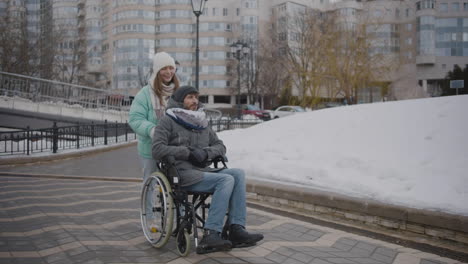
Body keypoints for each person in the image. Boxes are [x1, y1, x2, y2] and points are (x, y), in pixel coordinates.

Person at [152, 86, 264, 254]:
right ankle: (211, 233)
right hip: (181, 173)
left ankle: (236, 229)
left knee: (238, 174)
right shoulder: (168, 121)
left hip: (203, 170)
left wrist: (206, 153)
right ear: (179, 100)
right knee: (226, 180)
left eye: (196, 97)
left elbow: (220, 146)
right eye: (190, 97)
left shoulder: (202, 122)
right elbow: (157, 149)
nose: (195, 101)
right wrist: (187, 152)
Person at [129, 52, 179, 180]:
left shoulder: (180, 91)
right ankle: (147, 201)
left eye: (171, 68)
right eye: (164, 68)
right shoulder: (144, 94)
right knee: (150, 183)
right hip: (151, 148)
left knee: (176, 184)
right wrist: (152, 130)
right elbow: (135, 119)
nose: (168, 72)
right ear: (157, 71)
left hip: (175, 147)